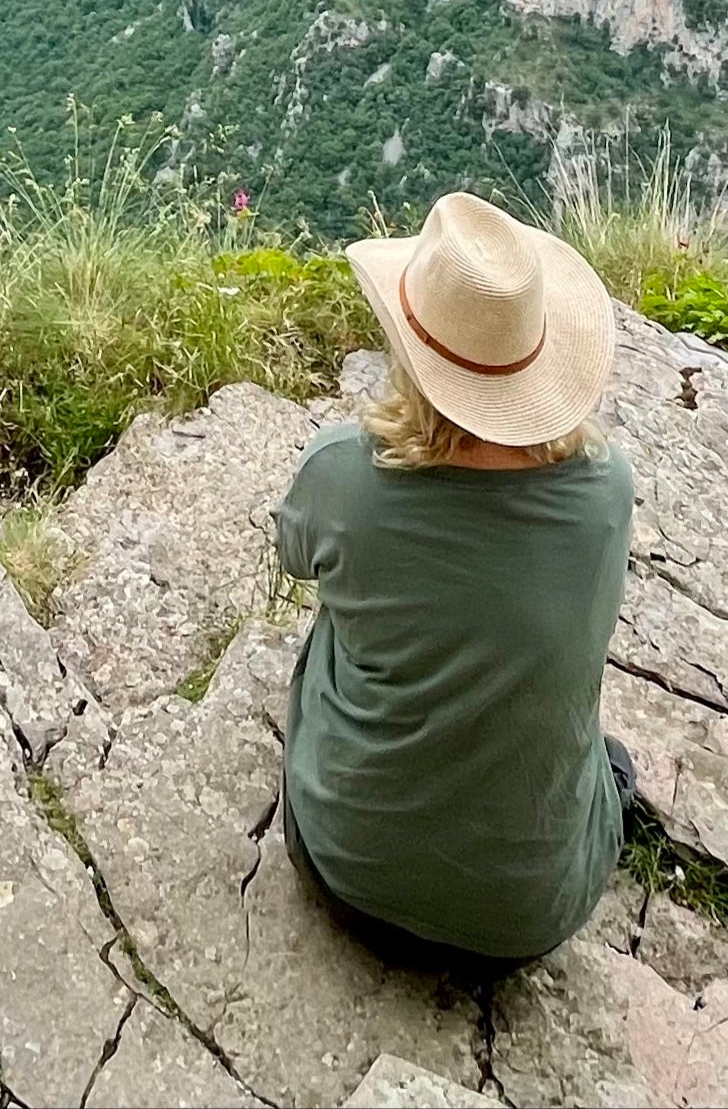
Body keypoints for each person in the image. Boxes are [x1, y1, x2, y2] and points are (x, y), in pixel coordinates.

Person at [271, 189, 635, 970]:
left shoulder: (342, 476)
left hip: (348, 873)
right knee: (605, 764)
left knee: (338, 626)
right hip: (526, 924)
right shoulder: (606, 492)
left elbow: (295, 559)